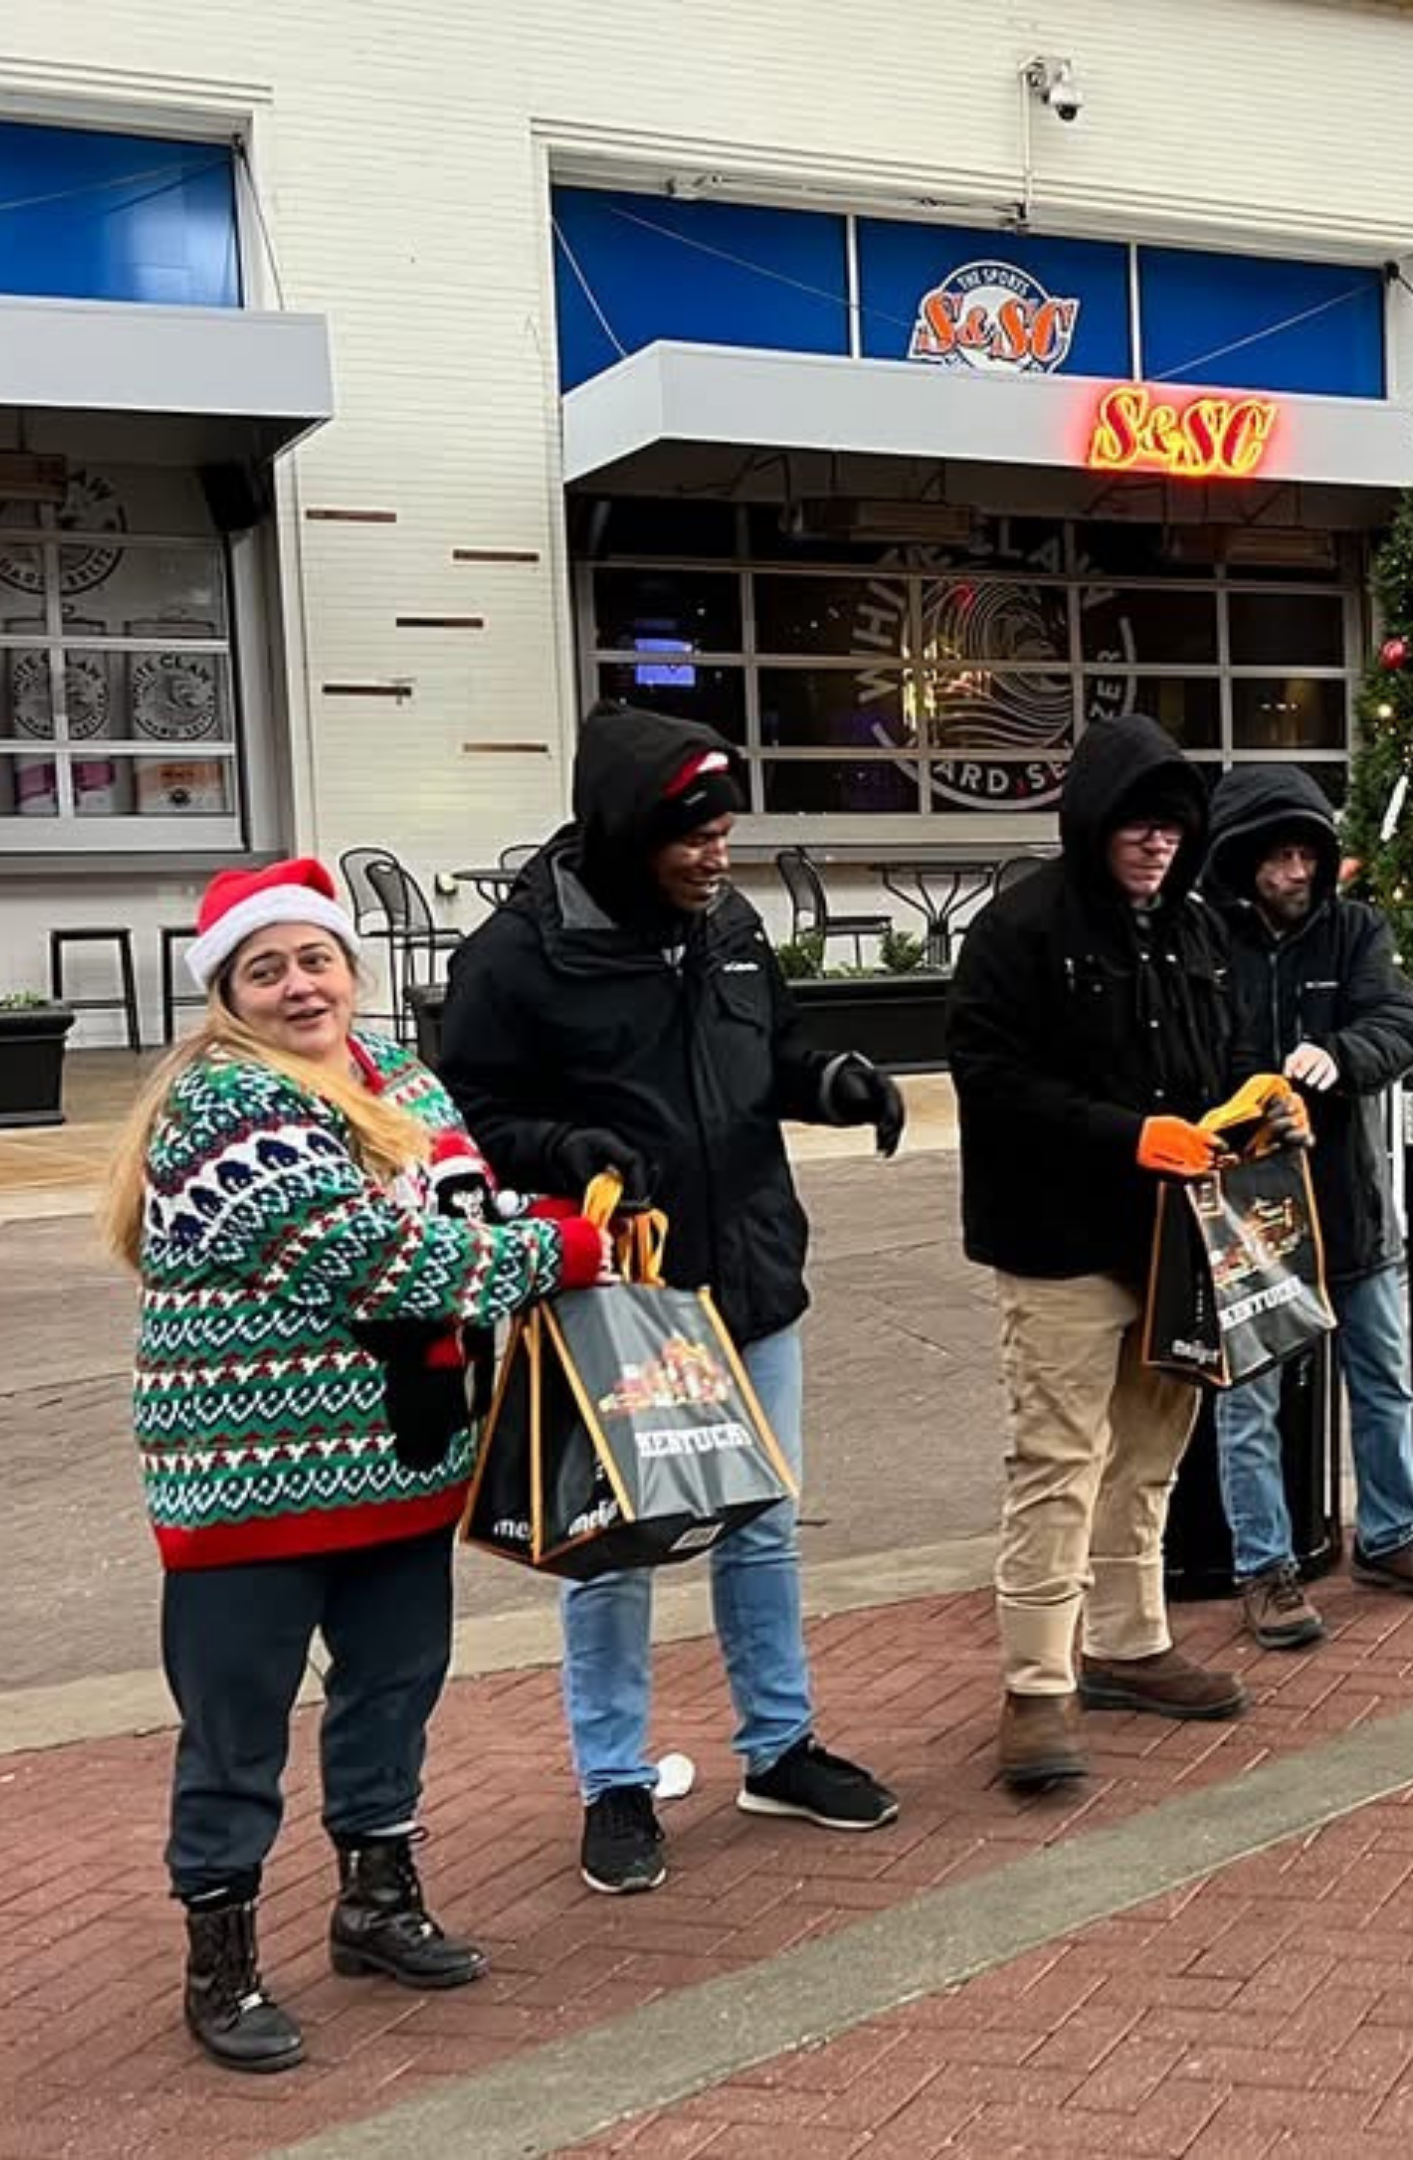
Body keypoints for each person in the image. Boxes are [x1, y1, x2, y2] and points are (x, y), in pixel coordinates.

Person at [104, 860, 608, 2073]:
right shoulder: (222, 1101)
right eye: (264, 969)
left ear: (350, 965)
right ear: (226, 990)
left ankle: (376, 1903)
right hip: (250, 1487)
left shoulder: (402, 1077)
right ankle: (220, 1961)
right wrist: (561, 1251)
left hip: (398, 1466)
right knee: (236, 1727)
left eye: (314, 959)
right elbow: (378, 1259)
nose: (297, 987)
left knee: (393, 1690)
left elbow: (467, 1215)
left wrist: (547, 1212)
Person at [439, 705, 905, 1895]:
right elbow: (470, 1122)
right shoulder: (516, 956)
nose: (718, 854)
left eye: (725, 829)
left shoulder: (731, 926)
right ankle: (612, 1782)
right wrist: (565, 1144)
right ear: (625, 831)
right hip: (621, 1298)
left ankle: (778, 1747)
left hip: (752, 1279)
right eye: (692, 835)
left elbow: (773, 1054)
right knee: (616, 1547)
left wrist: (836, 1081)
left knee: (761, 1521)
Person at [951, 713, 1255, 1795]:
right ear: (1092, 821)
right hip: (1059, 1244)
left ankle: (1131, 1643)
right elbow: (988, 1078)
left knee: (1150, 1455)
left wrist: (1258, 1117)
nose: (1156, 845)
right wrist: (1125, 1136)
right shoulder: (1019, 930)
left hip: (1172, 1244)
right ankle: (1036, 1687)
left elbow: (1228, 1062)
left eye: (1172, 827)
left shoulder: (1198, 931)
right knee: (1057, 1462)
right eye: (1137, 824)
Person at [1196, 765, 1413, 1650]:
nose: (1295, 874)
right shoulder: (1205, 937)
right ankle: (1265, 1567)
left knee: (1383, 1380)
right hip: (1246, 1214)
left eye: (1304, 855)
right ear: (1243, 862)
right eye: (1276, 858)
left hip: (1348, 1205)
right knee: (1250, 1402)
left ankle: (1391, 1534)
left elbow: (1400, 1024)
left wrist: (1341, 1055)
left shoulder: (1355, 931)